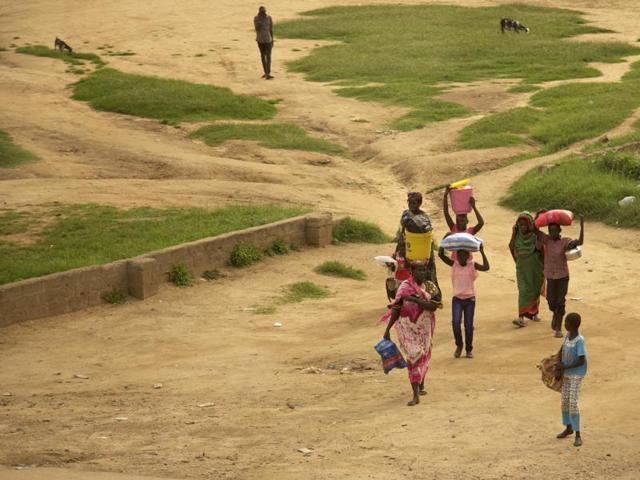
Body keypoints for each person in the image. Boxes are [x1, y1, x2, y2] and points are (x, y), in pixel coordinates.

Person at [382, 261, 441, 406]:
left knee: (424, 355)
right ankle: (415, 395)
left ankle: (420, 382)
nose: (422, 273)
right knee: (414, 355)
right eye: (419, 271)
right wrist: (388, 328)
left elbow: (433, 307)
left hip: (425, 327)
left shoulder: (430, 287)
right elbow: (396, 307)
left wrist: (415, 299)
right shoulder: (404, 287)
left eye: (424, 270)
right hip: (406, 326)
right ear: (412, 272)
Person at [438, 243, 490, 359]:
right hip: (457, 299)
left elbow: (487, 267)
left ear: (468, 256)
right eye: (459, 255)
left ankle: (468, 349)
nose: (461, 258)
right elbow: (441, 255)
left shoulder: (472, 265)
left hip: (470, 299)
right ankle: (459, 345)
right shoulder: (454, 264)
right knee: (455, 323)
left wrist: (482, 252)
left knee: (468, 325)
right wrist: (444, 243)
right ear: (456, 256)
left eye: (463, 255)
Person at [536, 215, 584, 338]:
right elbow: (535, 230)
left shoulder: (565, 242)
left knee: (560, 301)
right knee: (551, 301)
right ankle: (555, 315)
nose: (552, 233)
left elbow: (579, 242)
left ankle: (558, 327)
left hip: (562, 276)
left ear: (559, 231)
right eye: (550, 230)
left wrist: (582, 226)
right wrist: (538, 217)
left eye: (554, 230)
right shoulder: (546, 240)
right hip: (551, 276)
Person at [396, 192, 441, 302]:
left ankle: (433, 298)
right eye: (410, 203)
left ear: (419, 203)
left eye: (414, 203)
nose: (412, 205)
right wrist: (398, 249)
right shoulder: (406, 214)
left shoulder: (424, 217)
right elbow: (402, 231)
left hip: (423, 249)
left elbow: (426, 231)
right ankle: (406, 298)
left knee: (427, 273)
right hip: (408, 247)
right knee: (407, 273)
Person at [554, 312, 587, 447]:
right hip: (567, 373)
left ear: (572, 326)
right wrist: (559, 368)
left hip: (576, 374)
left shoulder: (579, 340)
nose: (564, 325)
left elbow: (581, 360)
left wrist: (564, 366)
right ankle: (569, 427)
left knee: (573, 402)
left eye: (566, 323)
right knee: (565, 401)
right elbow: (561, 350)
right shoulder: (568, 336)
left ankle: (578, 434)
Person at [509, 212, 545, 328]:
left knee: (535, 290)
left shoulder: (535, 235)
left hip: (536, 268)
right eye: (520, 225)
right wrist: (514, 233)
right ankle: (521, 317)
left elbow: (542, 249)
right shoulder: (517, 235)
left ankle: (535, 313)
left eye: (525, 225)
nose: (522, 227)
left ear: (530, 224)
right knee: (523, 290)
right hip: (522, 269)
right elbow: (511, 246)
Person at [254, 6, 274, 79]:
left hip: (268, 40)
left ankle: (268, 73)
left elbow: (271, 29)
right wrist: (260, 20)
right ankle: (265, 72)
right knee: (263, 55)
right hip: (260, 40)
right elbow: (257, 28)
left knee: (268, 56)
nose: (264, 13)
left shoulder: (269, 18)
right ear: (259, 12)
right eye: (262, 12)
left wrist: (272, 40)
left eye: (265, 12)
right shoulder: (256, 18)